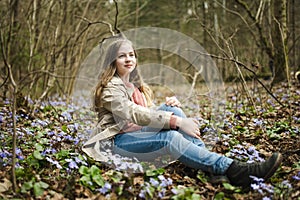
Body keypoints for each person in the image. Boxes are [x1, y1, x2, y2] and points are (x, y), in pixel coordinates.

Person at [82, 36, 282, 189]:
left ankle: (211, 165)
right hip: (118, 141)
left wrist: (170, 109)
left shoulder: (135, 85)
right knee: (169, 137)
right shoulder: (109, 87)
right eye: (122, 55)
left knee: (172, 108)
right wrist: (175, 121)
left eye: (132, 54)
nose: (128, 59)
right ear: (112, 60)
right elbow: (132, 113)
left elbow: (146, 113)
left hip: (137, 132)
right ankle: (232, 169)